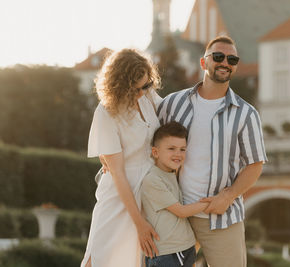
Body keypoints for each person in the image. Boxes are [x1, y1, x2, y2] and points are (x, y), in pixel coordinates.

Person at [157, 36, 267, 266]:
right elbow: (148, 141)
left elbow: (255, 164)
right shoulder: (171, 104)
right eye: (218, 57)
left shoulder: (246, 114)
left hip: (221, 218)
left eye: (232, 59)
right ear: (203, 62)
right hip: (175, 214)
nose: (225, 62)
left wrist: (227, 196)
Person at [81, 48, 162, 267]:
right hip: (119, 195)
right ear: (120, 86)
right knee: (99, 256)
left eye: (146, 85)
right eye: (135, 89)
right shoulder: (106, 112)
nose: (142, 93)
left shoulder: (149, 97)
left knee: (136, 260)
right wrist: (139, 224)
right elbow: (117, 172)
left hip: (149, 191)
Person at [140, 121, 209, 267]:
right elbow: (181, 211)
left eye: (182, 149)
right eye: (171, 148)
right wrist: (212, 202)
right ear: (155, 152)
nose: (178, 154)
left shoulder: (173, 174)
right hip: (167, 253)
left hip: (186, 248)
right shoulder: (152, 179)